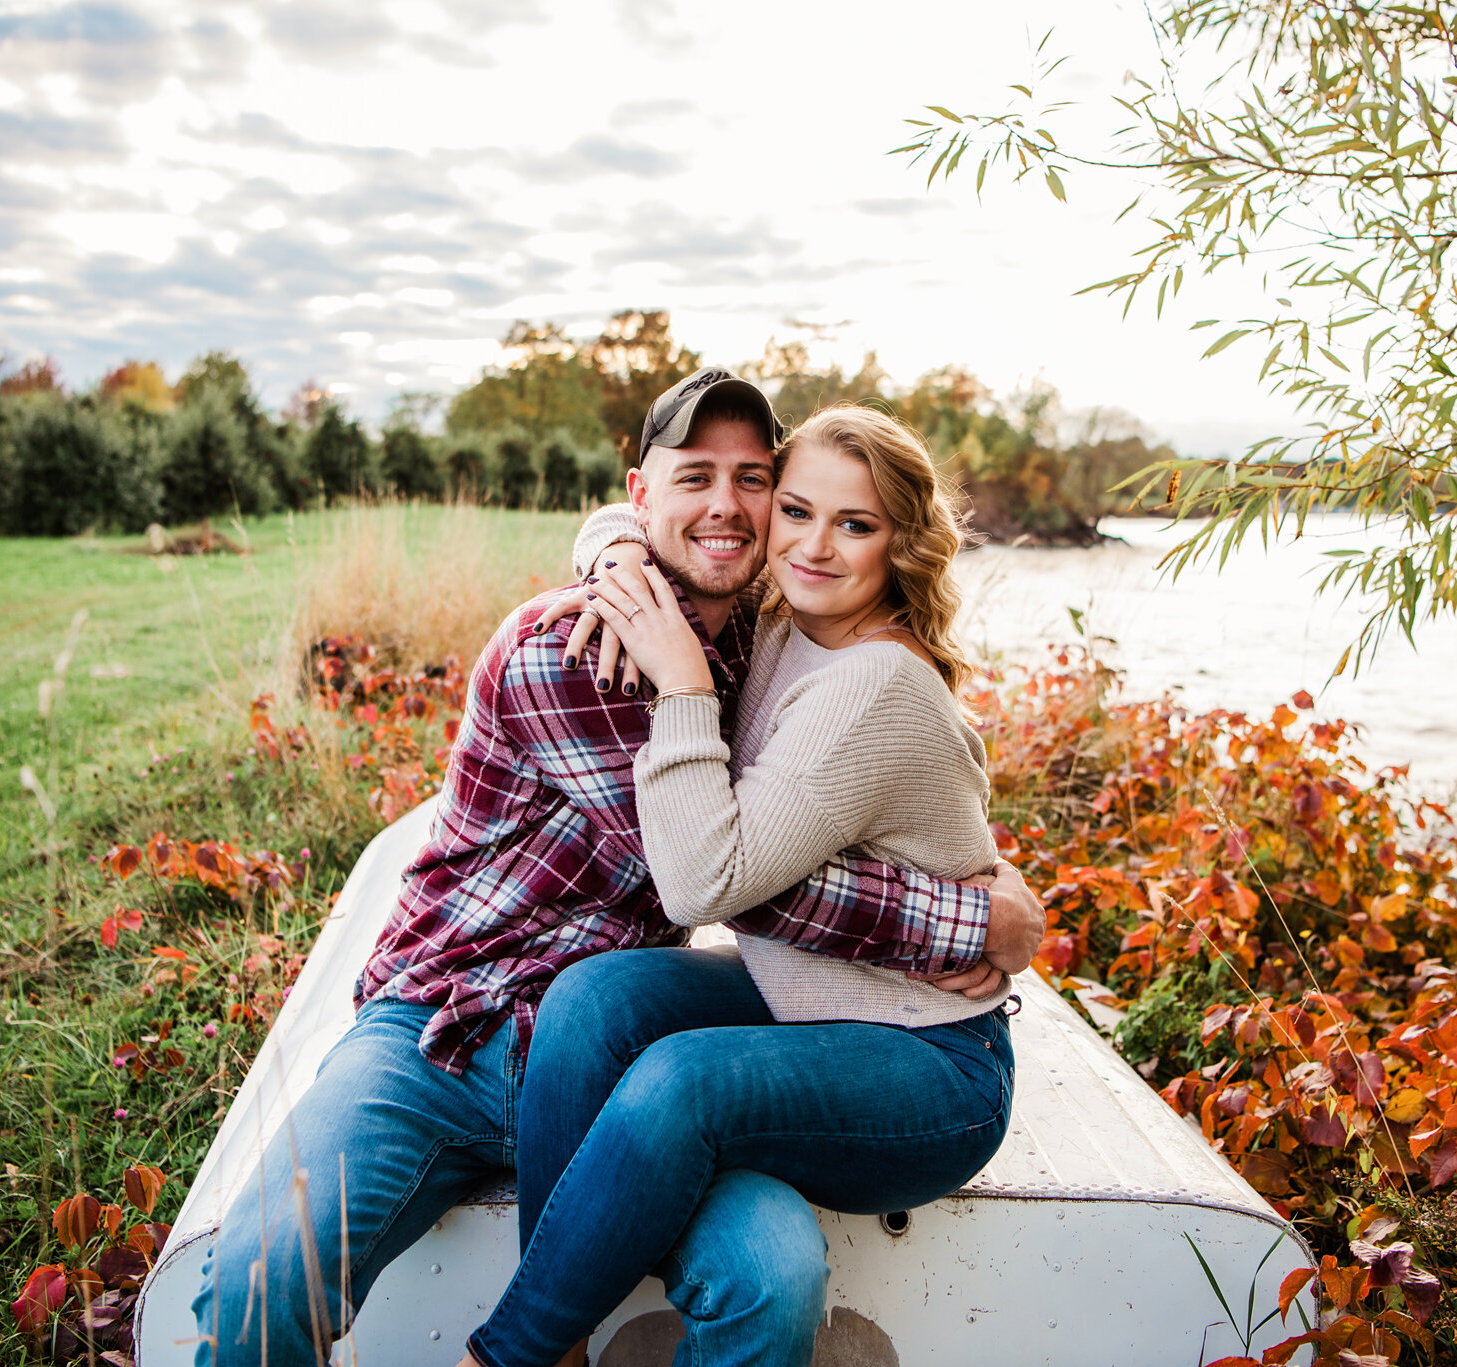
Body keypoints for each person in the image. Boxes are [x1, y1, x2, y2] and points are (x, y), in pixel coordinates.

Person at [191, 371, 1047, 1367]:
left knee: (770, 1280)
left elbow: (825, 799)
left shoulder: (761, 631)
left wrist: (989, 893)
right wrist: (976, 923)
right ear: (644, 494)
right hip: (449, 1035)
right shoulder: (579, 647)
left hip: (600, 1063)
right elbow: (725, 878)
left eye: (753, 479)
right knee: (262, 1271)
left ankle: (537, 1333)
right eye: (694, 478)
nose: (728, 506)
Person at [458, 405, 1018, 1367]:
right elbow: (634, 518)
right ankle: (562, 1329)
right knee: (593, 995)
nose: (812, 545)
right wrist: (616, 564)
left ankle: (509, 1354)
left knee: (684, 1084)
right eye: (795, 509)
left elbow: (702, 879)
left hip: (931, 1064)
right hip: (813, 1001)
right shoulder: (785, 608)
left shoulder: (872, 684)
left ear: (903, 543)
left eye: (857, 524)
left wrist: (681, 682)